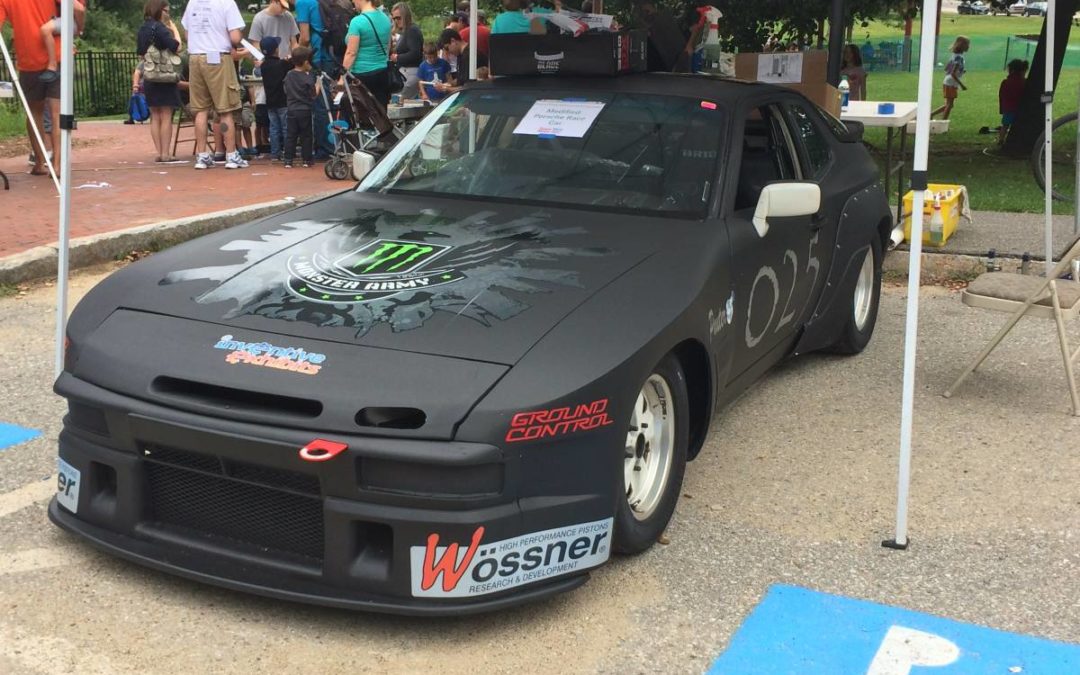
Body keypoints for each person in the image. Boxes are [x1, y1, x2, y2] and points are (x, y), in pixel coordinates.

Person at [0, 0, 71, 176]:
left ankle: (39, 161)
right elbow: (73, 7)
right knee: (57, 113)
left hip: (28, 58)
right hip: (56, 54)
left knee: (34, 113)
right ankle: (58, 164)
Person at [181, 0, 249, 170]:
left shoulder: (192, 2)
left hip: (196, 57)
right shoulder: (226, 3)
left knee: (201, 109)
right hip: (217, 56)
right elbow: (234, 36)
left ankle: (202, 155)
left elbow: (187, 34)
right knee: (225, 108)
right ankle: (232, 155)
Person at [137, 0, 183, 163]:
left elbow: (141, 54)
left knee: (155, 115)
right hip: (165, 77)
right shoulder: (161, 28)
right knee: (166, 114)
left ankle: (158, 152)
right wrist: (174, 29)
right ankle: (166, 153)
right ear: (160, 11)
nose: (168, 14)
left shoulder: (143, 29)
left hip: (150, 77)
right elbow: (177, 47)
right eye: (167, 11)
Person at [342, 0, 392, 110]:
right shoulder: (385, 18)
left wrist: (342, 78)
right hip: (382, 72)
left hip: (361, 75)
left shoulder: (357, 22)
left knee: (364, 117)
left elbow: (351, 53)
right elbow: (388, 46)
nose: (353, 1)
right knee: (381, 115)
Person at [283, 46, 320, 167]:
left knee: (291, 135)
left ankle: (288, 159)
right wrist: (318, 83)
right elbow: (313, 94)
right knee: (306, 135)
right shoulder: (307, 77)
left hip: (291, 109)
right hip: (304, 110)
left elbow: (285, 89)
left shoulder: (289, 75)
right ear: (305, 62)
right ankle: (306, 159)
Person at [39, 1, 85, 84]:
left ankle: (52, 65)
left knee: (45, 30)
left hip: (70, 21)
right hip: (64, 20)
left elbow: (80, 9)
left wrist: (80, 27)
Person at [259, 35, 290, 160]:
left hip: (270, 101)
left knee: (274, 128)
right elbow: (291, 65)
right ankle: (288, 151)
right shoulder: (282, 64)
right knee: (286, 127)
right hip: (282, 101)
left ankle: (275, 153)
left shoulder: (264, 65)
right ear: (276, 49)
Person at [391, 3, 422, 99]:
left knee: (398, 103)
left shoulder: (412, 30)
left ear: (405, 16)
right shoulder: (407, 30)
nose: (396, 21)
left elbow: (415, 53)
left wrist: (397, 58)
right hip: (406, 73)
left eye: (399, 18)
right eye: (394, 18)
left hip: (410, 74)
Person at [998, 58, 1028, 145]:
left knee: (1005, 125)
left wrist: (1002, 109)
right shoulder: (1024, 82)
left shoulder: (1005, 82)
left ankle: (1001, 139)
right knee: (1020, 126)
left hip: (1008, 108)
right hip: (1020, 109)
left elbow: (1001, 96)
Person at [940, 36, 970, 120]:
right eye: (967, 44)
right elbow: (953, 73)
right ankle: (943, 122)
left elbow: (947, 68)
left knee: (949, 104)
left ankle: (932, 115)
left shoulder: (954, 55)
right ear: (963, 46)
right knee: (949, 105)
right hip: (951, 83)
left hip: (947, 81)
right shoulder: (959, 57)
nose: (969, 46)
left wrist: (961, 71)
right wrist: (962, 85)